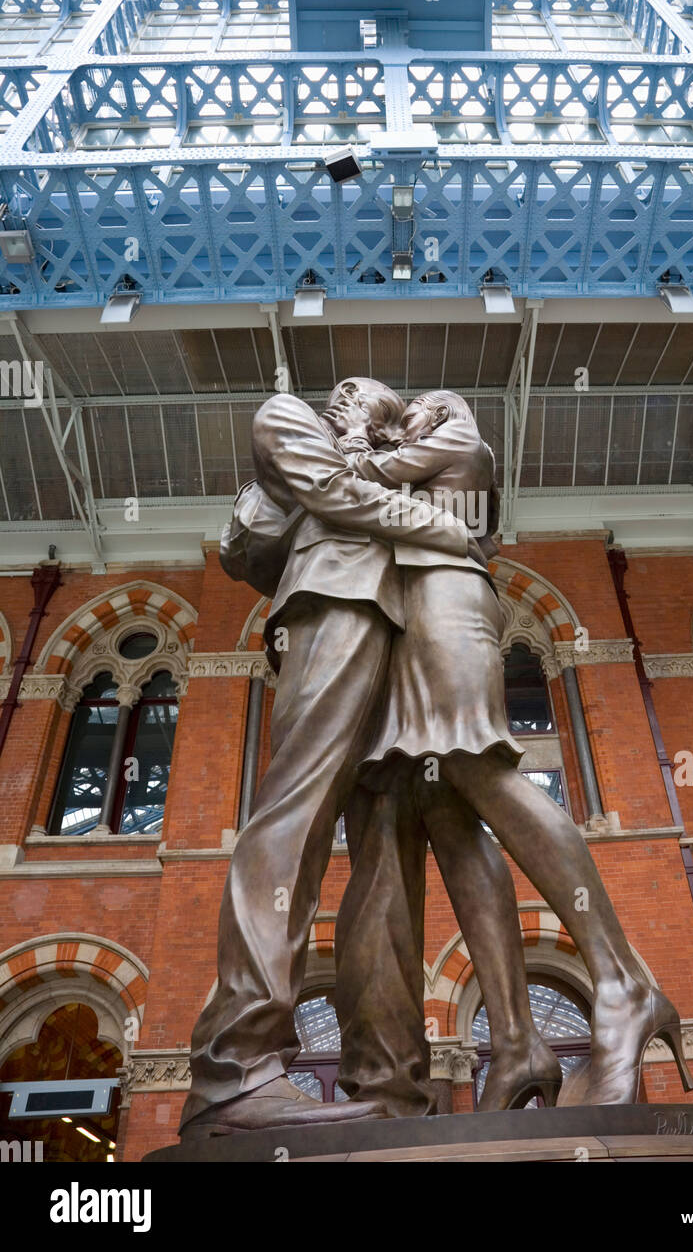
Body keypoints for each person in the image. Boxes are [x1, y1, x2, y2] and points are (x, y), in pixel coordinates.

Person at [180, 378, 556, 1137]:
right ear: (343, 397)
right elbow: (323, 499)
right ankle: (235, 1065)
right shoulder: (284, 415)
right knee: (295, 816)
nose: (380, 432)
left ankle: (389, 1084)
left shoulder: (385, 459)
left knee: (386, 856)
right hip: (332, 611)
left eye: (391, 427)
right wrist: (445, 530)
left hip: (399, 636)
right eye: (375, 414)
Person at [339, 390, 693, 1106]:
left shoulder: (455, 445)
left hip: (447, 604)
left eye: (413, 409)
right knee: (444, 803)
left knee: (477, 763)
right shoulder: (433, 462)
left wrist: (355, 428)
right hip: (417, 613)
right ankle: (516, 1043)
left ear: (441, 413)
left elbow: (351, 481)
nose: (400, 415)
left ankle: (625, 983)